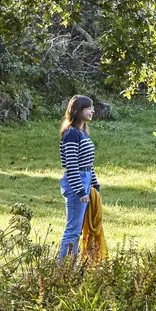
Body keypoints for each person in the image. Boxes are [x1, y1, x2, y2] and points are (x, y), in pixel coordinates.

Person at [58, 94, 100, 263]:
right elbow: (72, 165)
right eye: (88, 108)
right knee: (73, 229)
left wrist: (95, 183)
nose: (92, 111)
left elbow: (88, 162)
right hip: (77, 183)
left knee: (79, 228)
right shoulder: (71, 134)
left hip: (86, 179)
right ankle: (61, 268)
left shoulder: (82, 132)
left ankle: (71, 266)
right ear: (78, 110)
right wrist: (80, 190)